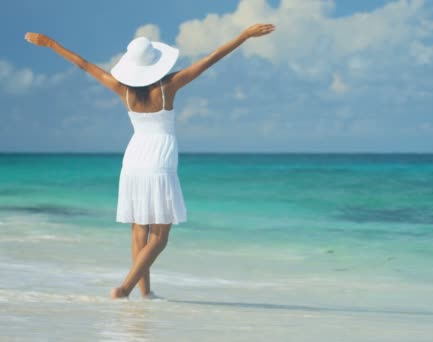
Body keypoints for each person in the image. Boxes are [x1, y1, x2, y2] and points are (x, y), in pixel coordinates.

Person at [24, 23, 276, 299]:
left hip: (133, 160)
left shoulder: (124, 90)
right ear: (156, 64)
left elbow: (85, 65)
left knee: (139, 230)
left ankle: (145, 293)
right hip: (159, 159)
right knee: (160, 236)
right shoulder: (168, 86)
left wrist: (50, 44)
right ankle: (124, 288)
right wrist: (243, 35)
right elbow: (210, 59)